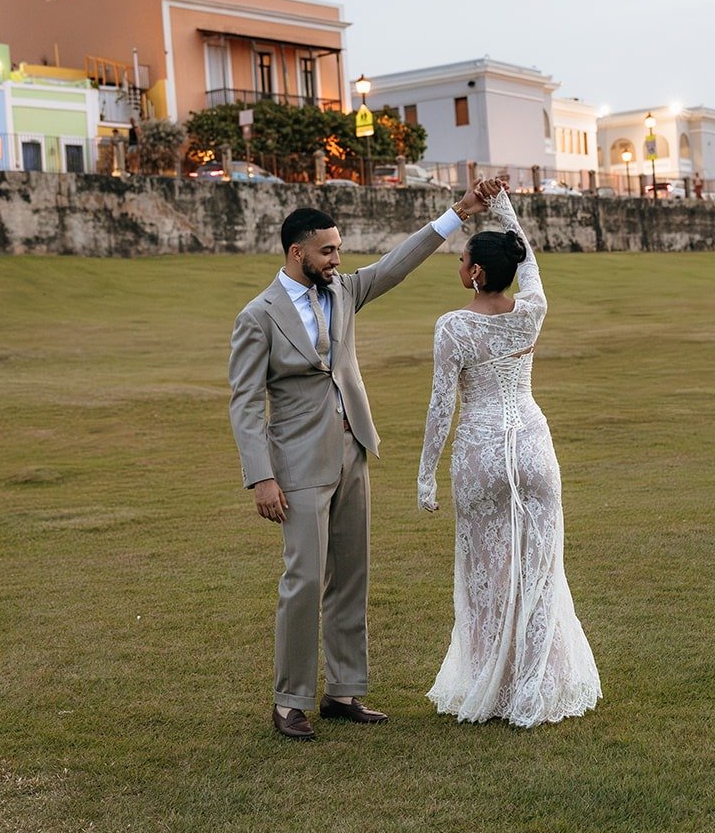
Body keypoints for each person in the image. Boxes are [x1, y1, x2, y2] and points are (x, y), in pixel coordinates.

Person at [229, 185, 490, 739]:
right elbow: (245, 403)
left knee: (351, 577)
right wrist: (261, 478)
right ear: (297, 252)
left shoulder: (343, 291)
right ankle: (290, 701)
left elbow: (396, 265)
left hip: (353, 451)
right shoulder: (257, 316)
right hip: (298, 466)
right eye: (327, 251)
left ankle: (343, 691)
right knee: (304, 580)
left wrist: (458, 214)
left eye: (339, 249)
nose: (337, 259)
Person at [417, 181, 602, 728]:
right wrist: (505, 211)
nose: (459, 264)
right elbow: (532, 263)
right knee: (540, 571)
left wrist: (426, 476)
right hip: (532, 446)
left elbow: (440, 408)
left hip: (480, 453)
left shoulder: (453, 327)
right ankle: (533, 687)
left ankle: (490, 686)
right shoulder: (532, 310)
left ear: (476, 272)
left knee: (486, 574)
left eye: (463, 259)